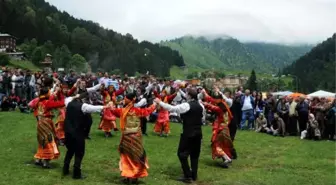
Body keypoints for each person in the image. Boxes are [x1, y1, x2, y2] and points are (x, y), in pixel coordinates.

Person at [154, 88, 204, 183]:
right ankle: (194, 175)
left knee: (182, 154)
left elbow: (173, 109)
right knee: (194, 155)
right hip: (198, 133)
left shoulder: (187, 105)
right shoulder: (200, 105)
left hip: (189, 133)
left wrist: (160, 102)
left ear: (189, 95)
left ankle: (187, 176)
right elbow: (202, 116)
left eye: (186, 93)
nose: (185, 95)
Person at [62, 92, 113, 179]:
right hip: (78, 133)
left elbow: (67, 98)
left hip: (68, 132)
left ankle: (65, 169)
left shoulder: (68, 102)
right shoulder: (83, 106)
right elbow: (93, 108)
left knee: (70, 150)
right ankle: (76, 173)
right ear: (83, 100)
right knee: (79, 153)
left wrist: (76, 96)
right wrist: (105, 106)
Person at [109, 93, 157, 184]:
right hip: (136, 137)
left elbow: (113, 111)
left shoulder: (122, 111)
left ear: (128, 100)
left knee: (127, 156)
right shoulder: (137, 111)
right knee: (136, 155)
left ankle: (129, 176)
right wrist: (154, 105)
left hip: (127, 136)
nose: (124, 99)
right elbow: (148, 111)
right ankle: (134, 177)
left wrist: (111, 105)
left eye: (125, 98)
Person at [28, 87, 65, 168]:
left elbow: (30, 104)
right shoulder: (48, 103)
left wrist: (57, 91)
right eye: (49, 92)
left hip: (40, 123)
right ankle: (46, 162)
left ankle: (38, 159)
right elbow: (62, 103)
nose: (50, 93)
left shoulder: (38, 101)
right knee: (50, 140)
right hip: (46, 123)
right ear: (47, 94)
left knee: (42, 141)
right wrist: (61, 95)